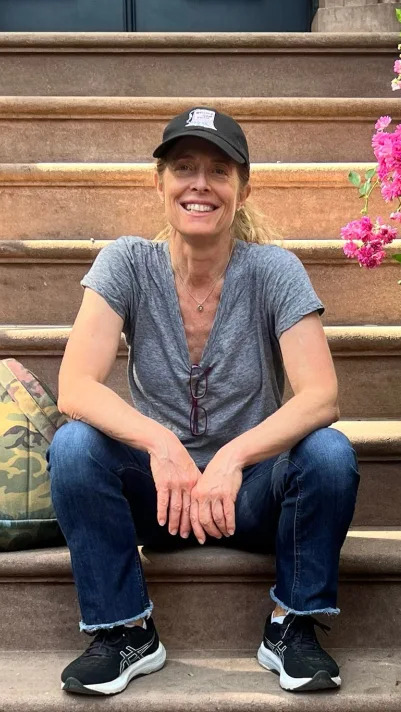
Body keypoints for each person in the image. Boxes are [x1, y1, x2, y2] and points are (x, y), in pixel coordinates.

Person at [47, 106, 360, 696]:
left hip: (250, 500)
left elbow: (321, 396)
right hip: (160, 500)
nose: (200, 184)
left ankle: (291, 625)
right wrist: (162, 445)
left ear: (243, 188)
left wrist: (233, 458)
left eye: (219, 170)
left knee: (328, 453)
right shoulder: (126, 263)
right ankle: (125, 630)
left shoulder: (275, 270)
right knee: (75, 447)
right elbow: (76, 387)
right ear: (159, 182)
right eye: (184, 168)